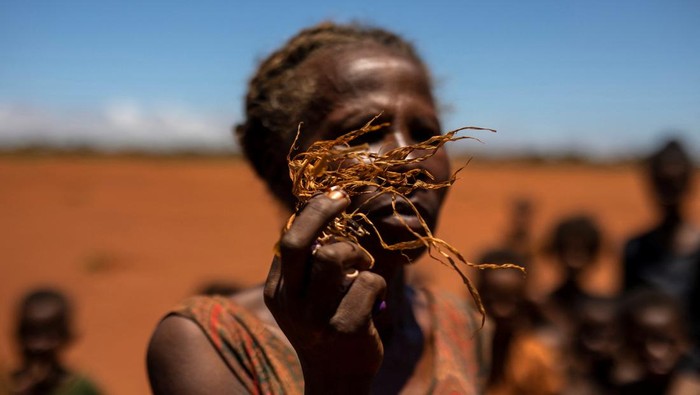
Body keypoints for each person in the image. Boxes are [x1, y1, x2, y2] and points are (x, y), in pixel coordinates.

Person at [147, 21, 490, 394]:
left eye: (426, 133)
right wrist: (335, 378)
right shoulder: (210, 345)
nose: (409, 161)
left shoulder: (460, 323)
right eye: (365, 133)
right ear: (280, 165)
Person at [622, 139, 700, 369]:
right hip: (644, 364)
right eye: (663, 184)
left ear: (689, 184)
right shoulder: (635, 248)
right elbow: (626, 312)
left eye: (676, 183)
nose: (670, 192)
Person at [477, 248, 564, 395]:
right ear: (477, 296)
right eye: (492, 300)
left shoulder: (536, 357)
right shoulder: (464, 349)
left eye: (512, 301)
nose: (502, 311)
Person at [10, 288, 101, 395]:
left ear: (67, 336)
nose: (38, 346)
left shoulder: (81, 390)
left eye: (49, 336)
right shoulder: (7, 386)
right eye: (30, 333)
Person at [614, 289, 700, 395]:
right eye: (639, 343)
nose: (652, 351)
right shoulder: (626, 389)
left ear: (686, 340)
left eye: (663, 340)